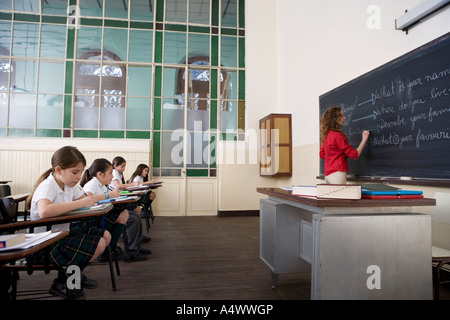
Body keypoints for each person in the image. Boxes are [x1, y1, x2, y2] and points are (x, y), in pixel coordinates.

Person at [28, 146, 111, 300]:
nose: (79, 176)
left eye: (80, 172)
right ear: (59, 170)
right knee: (98, 243)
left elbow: (85, 200)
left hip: (61, 235)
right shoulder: (48, 186)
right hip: (44, 243)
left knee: (106, 235)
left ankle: (69, 278)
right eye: (75, 172)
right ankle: (67, 282)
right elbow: (44, 211)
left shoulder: (69, 185)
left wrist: (92, 201)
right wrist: (81, 203)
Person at [80, 158, 129, 262]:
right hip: (92, 220)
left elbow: (107, 197)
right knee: (123, 214)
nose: (112, 176)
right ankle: (107, 251)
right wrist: (108, 195)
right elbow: (87, 199)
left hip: (101, 216)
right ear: (100, 174)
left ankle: (111, 247)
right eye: (110, 173)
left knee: (124, 213)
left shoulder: (102, 185)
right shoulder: (92, 184)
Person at [108, 156, 151, 261]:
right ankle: (132, 251)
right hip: (113, 206)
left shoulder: (116, 174)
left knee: (136, 215)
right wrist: (132, 185)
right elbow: (117, 187)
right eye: (122, 166)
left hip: (117, 201)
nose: (111, 177)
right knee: (134, 216)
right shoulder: (114, 173)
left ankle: (136, 246)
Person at [319, 106, 370, 184]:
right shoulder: (338, 136)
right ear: (335, 119)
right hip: (337, 175)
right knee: (340, 195)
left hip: (328, 175)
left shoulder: (325, 135)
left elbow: (322, 154)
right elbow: (354, 154)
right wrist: (364, 140)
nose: (345, 118)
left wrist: (336, 154)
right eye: (342, 116)